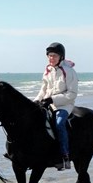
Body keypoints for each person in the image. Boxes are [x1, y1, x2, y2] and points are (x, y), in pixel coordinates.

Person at [34, 42, 78, 170]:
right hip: (48, 103)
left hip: (64, 105)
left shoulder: (69, 71)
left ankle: (64, 155)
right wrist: (37, 100)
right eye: (49, 56)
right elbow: (43, 89)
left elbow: (72, 94)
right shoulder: (48, 70)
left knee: (59, 124)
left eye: (54, 56)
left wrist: (52, 99)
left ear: (61, 57)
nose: (51, 58)